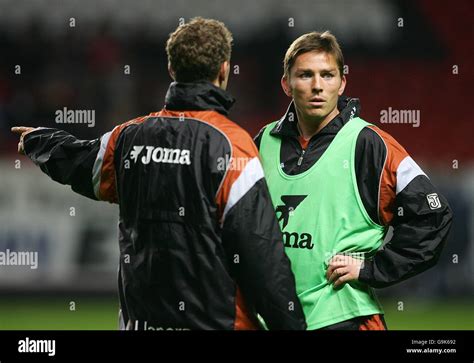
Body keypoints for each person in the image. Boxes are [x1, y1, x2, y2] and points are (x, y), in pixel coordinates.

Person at [11, 17, 306, 331]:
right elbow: (261, 256)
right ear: (223, 70)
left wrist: (37, 140)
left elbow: (77, 162)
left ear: (171, 69)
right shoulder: (232, 146)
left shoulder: (127, 137)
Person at [254, 31, 452, 330]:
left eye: (327, 75)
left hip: (343, 317)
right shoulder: (261, 142)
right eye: (305, 75)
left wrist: (373, 269)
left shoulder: (369, 144)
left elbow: (433, 217)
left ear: (342, 83)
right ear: (286, 84)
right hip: (269, 318)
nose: (317, 86)